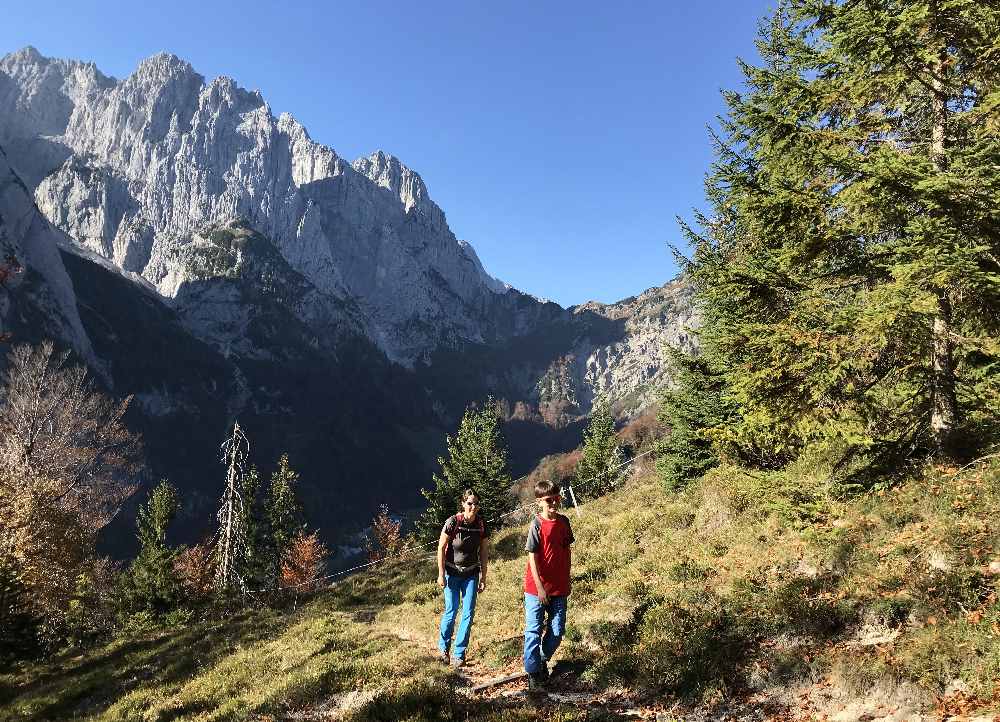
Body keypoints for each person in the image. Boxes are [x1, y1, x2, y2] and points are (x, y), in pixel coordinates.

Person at [523, 479, 574, 688]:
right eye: (548, 500)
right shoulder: (536, 524)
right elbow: (532, 559)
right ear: (539, 502)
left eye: (556, 498)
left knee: (557, 631)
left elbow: (566, 551)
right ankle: (533, 674)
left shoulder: (564, 522)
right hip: (536, 590)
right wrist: (541, 588)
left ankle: (541, 659)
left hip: (560, 588)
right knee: (533, 631)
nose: (553, 503)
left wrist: (567, 578)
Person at [436, 489, 489, 667]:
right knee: (451, 613)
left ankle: (459, 653)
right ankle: (444, 649)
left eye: (476, 504)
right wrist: (440, 574)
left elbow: (484, 551)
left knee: (468, 613)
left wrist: (483, 576)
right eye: (470, 503)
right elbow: (441, 548)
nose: (473, 507)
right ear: (463, 504)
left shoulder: (481, 524)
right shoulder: (453, 522)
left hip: (471, 575)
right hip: (452, 573)